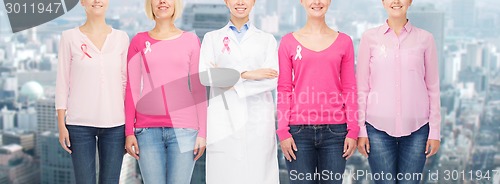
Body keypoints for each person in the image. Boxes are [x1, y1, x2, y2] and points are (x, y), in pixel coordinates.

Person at [356, 0, 441, 183]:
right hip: (376, 129)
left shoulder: (426, 39)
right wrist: (361, 129)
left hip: (418, 129)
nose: (396, 2)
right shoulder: (369, 38)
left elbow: (432, 88)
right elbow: (362, 87)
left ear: (410, 2)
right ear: (383, 2)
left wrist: (435, 132)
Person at [124, 0, 207, 183]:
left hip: (185, 129)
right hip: (147, 131)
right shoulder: (139, 41)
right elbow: (132, 88)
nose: (162, 1)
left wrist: (203, 133)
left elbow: (198, 88)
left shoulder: (191, 40)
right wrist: (129, 131)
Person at [277, 0, 359, 183]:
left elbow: (350, 88)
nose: (316, 2)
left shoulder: (344, 42)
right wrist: (283, 131)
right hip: (298, 133)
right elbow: (284, 88)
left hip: (336, 132)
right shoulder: (287, 42)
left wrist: (353, 129)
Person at [199, 0, 280, 183]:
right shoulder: (212, 38)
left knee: (259, 175)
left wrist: (227, 78)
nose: (240, 2)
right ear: (227, 2)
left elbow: (271, 80)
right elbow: (206, 77)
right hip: (223, 122)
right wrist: (247, 74)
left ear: (253, 2)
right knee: (224, 175)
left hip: (257, 121)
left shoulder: (267, 40)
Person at [56, 0, 129, 183]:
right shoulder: (69, 37)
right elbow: (63, 82)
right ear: (82, 2)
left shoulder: (121, 38)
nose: (97, 0)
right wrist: (61, 124)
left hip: (115, 124)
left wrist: (129, 128)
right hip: (79, 125)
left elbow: (126, 82)